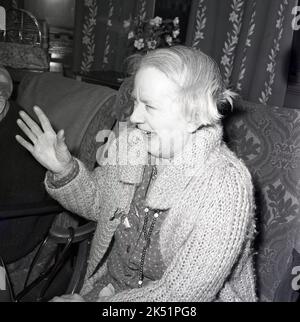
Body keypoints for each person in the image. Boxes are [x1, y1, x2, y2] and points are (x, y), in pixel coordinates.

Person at [16, 46, 257, 302]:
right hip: (114, 290)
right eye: (136, 102)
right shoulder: (132, 144)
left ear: (194, 115)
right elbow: (99, 203)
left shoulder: (225, 186)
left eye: (150, 106)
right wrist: (63, 169)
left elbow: (181, 296)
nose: (134, 117)